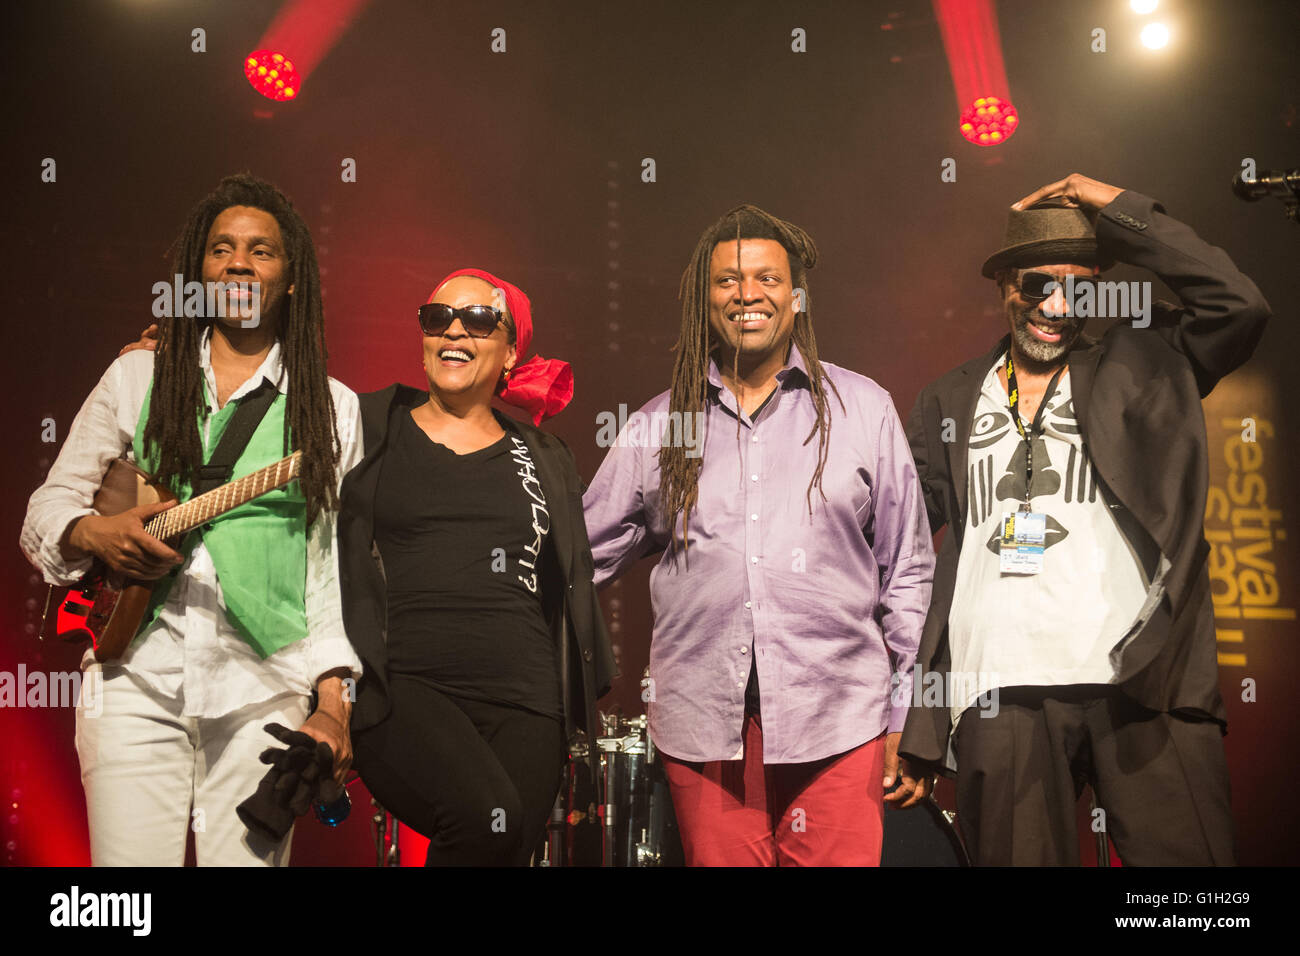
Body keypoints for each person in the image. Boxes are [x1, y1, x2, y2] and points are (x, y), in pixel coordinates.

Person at [898, 173, 1271, 865]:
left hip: (1143, 679)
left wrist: (1118, 208)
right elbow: (903, 561)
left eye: (1082, 287)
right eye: (1038, 285)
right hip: (996, 687)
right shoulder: (947, 399)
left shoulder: (1152, 359)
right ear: (1005, 287)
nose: (1058, 305)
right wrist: (912, 716)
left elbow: (1239, 304)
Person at [20, 174, 362, 866]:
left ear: (292, 279)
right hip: (132, 683)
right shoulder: (138, 377)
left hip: (265, 690)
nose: (239, 262)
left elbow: (325, 578)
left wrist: (334, 705)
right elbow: (46, 510)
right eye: (222, 249)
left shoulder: (332, 408)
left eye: (262, 251)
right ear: (197, 272)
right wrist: (95, 533)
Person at [582, 205, 935, 866]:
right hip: (705, 729)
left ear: (797, 297)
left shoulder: (863, 409)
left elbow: (908, 570)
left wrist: (907, 717)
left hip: (839, 721)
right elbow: (578, 559)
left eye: (767, 278)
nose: (747, 293)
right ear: (703, 300)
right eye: (727, 281)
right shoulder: (662, 426)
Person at [337, 267, 615, 866]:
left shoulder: (544, 454)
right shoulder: (367, 424)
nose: (454, 330)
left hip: (528, 700)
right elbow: (280, 433)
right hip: (404, 687)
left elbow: (566, 580)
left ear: (512, 348)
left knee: (506, 846)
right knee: (486, 822)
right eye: (438, 318)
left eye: (479, 319)